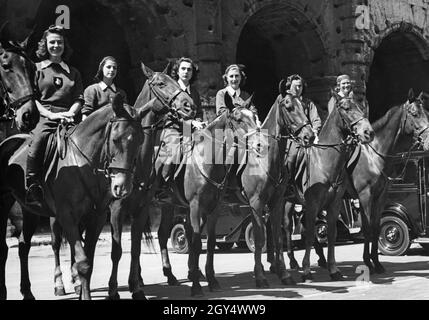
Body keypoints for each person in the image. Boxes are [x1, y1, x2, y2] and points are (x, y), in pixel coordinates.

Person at [25, 25, 84, 207]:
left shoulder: (73, 72)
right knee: (39, 140)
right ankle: (32, 185)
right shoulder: (37, 69)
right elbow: (32, 98)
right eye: (52, 42)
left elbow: (79, 98)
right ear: (45, 45)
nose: (56, 46)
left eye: (59, 42)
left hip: (69, 116)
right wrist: (50, 114)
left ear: (64, 45)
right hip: (45, 117)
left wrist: (69, 113)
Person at [155, 57, 202, 182]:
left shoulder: (195, 92)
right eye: (183, 69)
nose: (186, 72)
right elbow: (170, 114)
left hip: (191, 129)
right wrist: (190, 122)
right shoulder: (171, 90)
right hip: (173, 128)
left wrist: (199, 121)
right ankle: (163, 184)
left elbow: (199, 112)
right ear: (177, 71)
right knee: (173, 154)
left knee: (207, 148)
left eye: (189, 70)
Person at [81, 56, 127, 120]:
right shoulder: (92, 90)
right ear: (102, 68)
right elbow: (86, 115)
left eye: (114, 68)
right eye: (108, 67)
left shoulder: (121, 93)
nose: (112, 70)